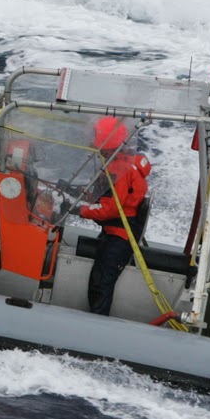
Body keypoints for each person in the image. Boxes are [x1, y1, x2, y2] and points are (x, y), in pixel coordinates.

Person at [69, 115, 152, 316]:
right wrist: (77, 191)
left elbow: (111, 208)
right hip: (114, 232)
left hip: (120, 236)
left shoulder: (119, 170)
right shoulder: (118, 164)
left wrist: (80, 211)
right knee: (98, 279)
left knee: (101, 282)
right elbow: (105, 195)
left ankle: (97, 323)